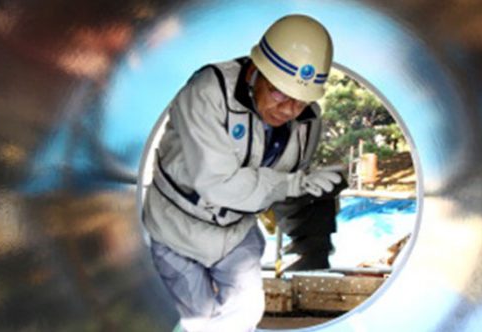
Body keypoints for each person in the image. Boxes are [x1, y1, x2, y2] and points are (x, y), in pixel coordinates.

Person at [142, 14, 344, 331]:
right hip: (176, 226)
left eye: (301, 100)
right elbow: (216, 183)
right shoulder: (208, 92)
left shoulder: (307, 123)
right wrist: (294, 184)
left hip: (236, 231)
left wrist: (311, 196)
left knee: (246, 313)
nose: (289, 109)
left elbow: (290, 185)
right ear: (255, 70)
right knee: (200, 319)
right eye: (280, 93)